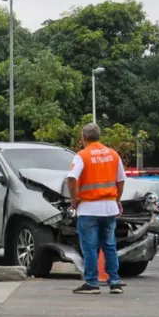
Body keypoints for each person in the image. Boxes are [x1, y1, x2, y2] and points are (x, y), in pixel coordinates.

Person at [66, 123, 126, 295]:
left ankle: (92, 283)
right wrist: (117, 199)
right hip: (109, 207)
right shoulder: (113, 154)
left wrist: (73, 198)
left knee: (90, 247)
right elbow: (121, 180)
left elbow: (71, 178)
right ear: (99, 136)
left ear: (83, 138)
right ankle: (114, 281)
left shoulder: (82, 155)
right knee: (109, 245)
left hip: (88, 208)